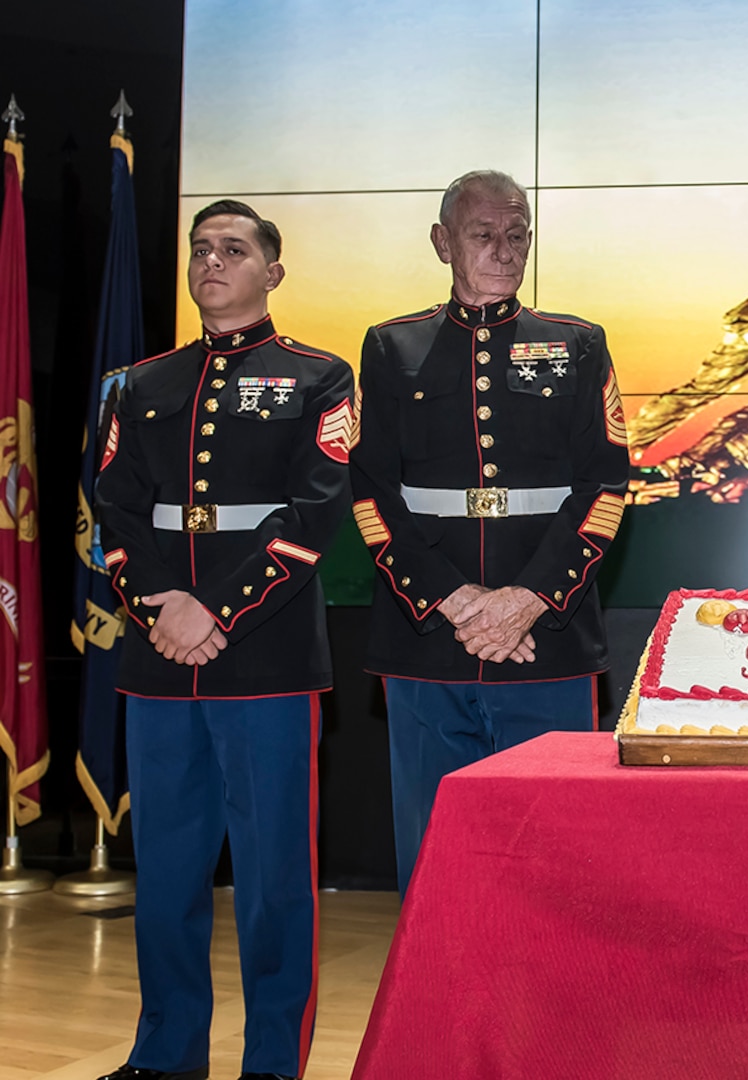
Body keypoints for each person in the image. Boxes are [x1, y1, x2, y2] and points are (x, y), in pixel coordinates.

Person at [95, 200, 355, 1080]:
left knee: (275, 883)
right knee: (166, 880)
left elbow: (314, 512)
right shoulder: (140, 383)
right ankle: (165, 1056)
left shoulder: (321, 378)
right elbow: (116, 509)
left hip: (266, 658)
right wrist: (161, 605)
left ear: (273, 271)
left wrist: (214, 609)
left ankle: (273, 1064)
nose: (213, 262)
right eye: (202, 249)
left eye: (234, 250)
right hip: (159, 660)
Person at [350, 170, 629, 896]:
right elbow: (372, 496)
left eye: (517, 236)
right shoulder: (391, 347)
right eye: (483, 235)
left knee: (557, 866)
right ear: (443, 242)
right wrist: (455, 601)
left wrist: (528, 600)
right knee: (434, 863)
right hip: (428, 643)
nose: (505, 251)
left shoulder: (577, 344)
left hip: (548, 642)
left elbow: (607, 490)